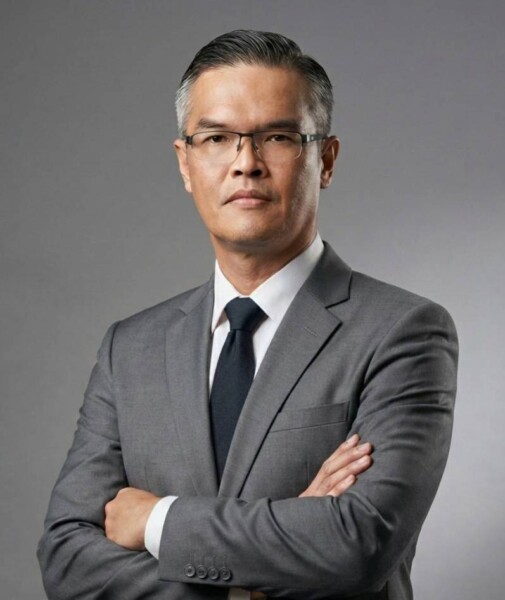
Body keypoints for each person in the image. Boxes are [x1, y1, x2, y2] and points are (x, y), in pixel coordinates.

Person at [38, 30, 458, 600]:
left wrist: (158, 519)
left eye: (278, 137)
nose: (246, 164)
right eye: (217, 138)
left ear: (326, 160)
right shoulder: (130, 348)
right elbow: (66, 558)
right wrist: (251, 581)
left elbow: (358, 544)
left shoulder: (403, 333)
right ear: (185, 164)